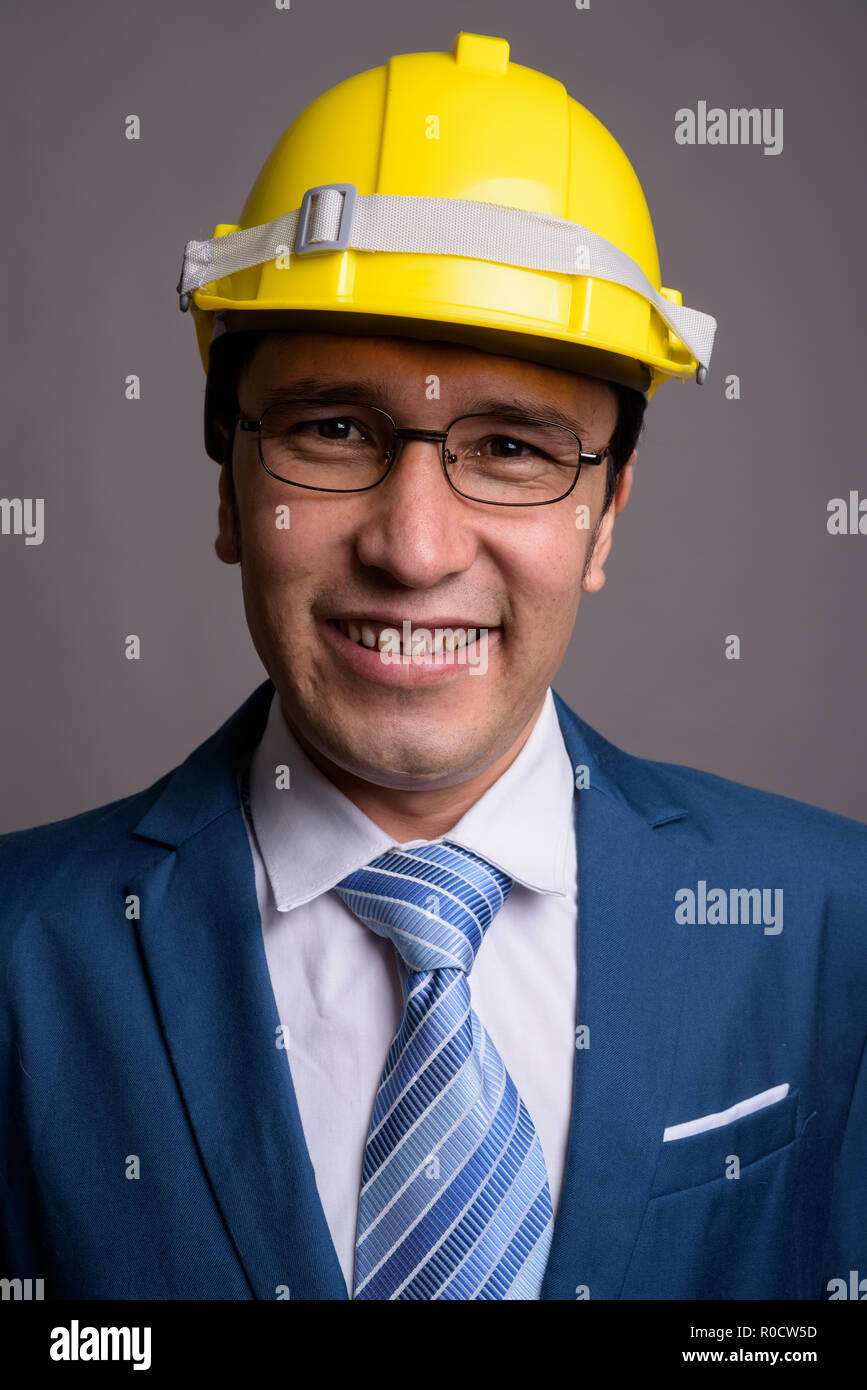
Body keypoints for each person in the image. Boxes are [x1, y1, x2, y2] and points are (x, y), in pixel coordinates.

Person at [1, 31, 864, 1303]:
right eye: (333, 429)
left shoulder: (834, 922)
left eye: (513, 447)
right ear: (230, 481)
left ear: (608, 512)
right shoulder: (22, 956)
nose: (413, 548)